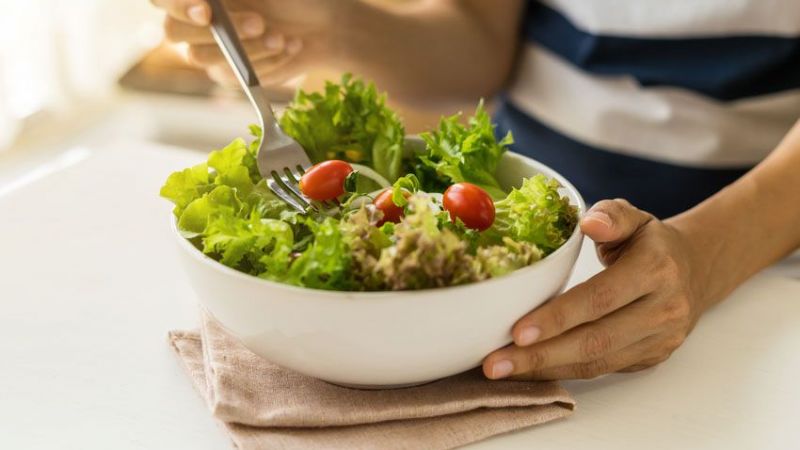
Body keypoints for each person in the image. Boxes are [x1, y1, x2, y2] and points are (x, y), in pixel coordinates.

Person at [150, 0, 800, 381]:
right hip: (527, 224)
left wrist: (709, 253)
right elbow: (483, 41)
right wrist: (326, 25)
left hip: (763, 252)